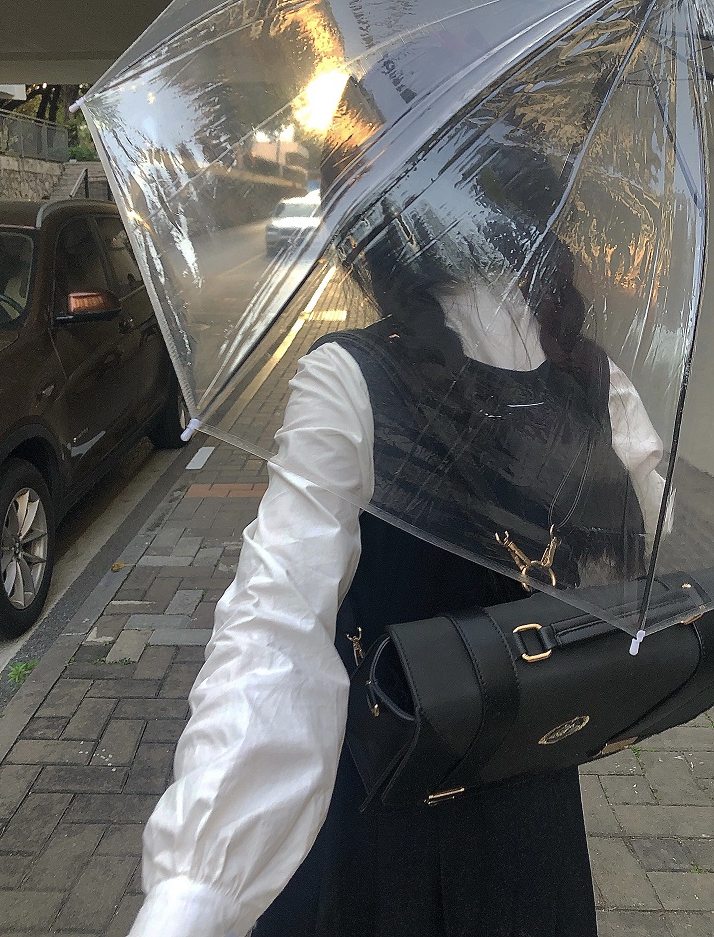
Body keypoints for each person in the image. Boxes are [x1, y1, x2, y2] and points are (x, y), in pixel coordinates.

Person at [125, 128, 668, 937]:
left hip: (382, 828)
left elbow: (276, 629)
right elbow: (652, 547)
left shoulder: (349, 378)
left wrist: (195, 892)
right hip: (536, 834)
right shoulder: (597, 378)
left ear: (381, 233)